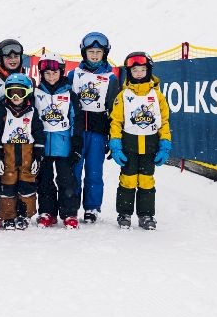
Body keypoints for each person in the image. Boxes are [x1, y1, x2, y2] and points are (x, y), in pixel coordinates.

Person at [109, 52, 172, 230]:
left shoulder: (157, 96)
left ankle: (146, 215)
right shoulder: (123, 95)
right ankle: (124, 213)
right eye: (134, 70)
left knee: (146, 180)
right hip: (129, 146)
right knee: (127, 180)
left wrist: (165, 144)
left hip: (150, 146)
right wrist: (115, 144)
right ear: (129, 72)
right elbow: (116, 121)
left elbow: (164, 122)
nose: (138, 73)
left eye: (142, 70)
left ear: (148, 71)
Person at [69, 32, 119, 224]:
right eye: (91, 52)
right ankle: (71, 205)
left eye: (99, 52)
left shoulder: (110, 78)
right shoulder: (74, 75)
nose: (95, 55)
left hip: (98, 133)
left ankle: (92, 207)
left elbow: (114, 110)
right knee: (74, 171)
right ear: (84, 53)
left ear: (105, 53)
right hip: (77, 132)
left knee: (94, 171)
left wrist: (112, 137)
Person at [33, 54, 83, 229]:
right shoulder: (36, 93)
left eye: (55, 73)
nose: (51, 77)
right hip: (42, 146)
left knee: (66, 181)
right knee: (44, 181)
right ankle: (47, 212)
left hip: (64, 146)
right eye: (47, 73)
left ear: (61, 73)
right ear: (41, 74)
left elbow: (76, 122)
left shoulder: (69, 94)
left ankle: (69, 213)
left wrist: (76, 146)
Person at [0, 73, 45, 229]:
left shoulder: (32, 111)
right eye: (11, 93)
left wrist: (38, 157)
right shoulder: (2, 110)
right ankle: (8, 216)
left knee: (27, 184)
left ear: (27, 93)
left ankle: (24, 215)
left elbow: (38, 133)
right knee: (7, 185)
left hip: (27, 153)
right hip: (8, 154)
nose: (15, 97)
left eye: (19, 93)